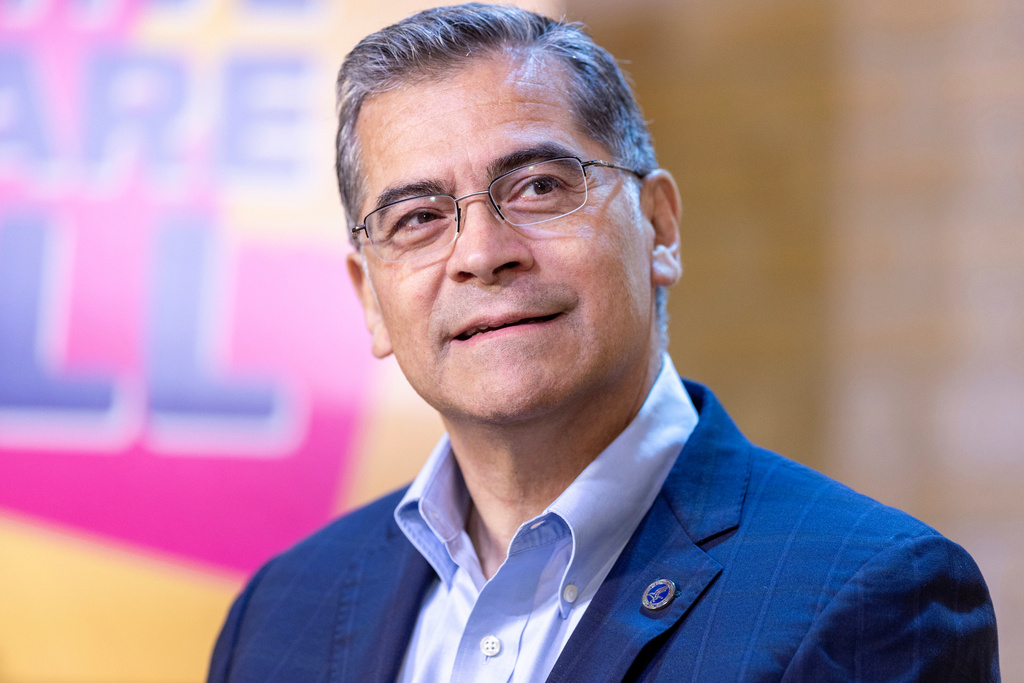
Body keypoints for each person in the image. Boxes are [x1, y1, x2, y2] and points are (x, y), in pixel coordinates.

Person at [207, 4, 1000, 681]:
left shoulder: (870, 594)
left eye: (539, 186)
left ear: (659, 227)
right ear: (369, 300)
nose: (482, 252)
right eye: (417, 218)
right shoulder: (280, 617)